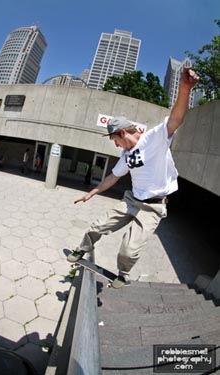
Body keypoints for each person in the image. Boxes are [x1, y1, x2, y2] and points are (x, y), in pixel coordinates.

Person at [67, 67, 200, 289]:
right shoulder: (126, 156)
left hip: (153, 208)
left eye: (114, 140)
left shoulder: (154, 138)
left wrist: (185, 89)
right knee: (97, 226)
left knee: (128, 249)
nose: (115, 144)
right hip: (131, 201)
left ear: (122, 133)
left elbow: (175, 118)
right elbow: (113, 177)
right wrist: (92, 192)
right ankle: (83, 248)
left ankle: (123, 273)